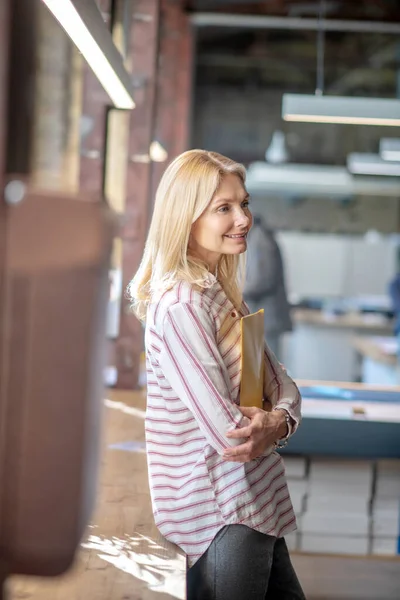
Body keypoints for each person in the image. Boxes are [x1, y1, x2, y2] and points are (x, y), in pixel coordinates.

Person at [129, 150, 305, 600]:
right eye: (223, 208)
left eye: (243, 204)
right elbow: (232, 437)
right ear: (186, 217)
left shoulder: (221, 295)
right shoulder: (182, 307)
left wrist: (278, 420)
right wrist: (272, 424)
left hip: (254, 503)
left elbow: (281, 384)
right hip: (220, 513)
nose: (242, 218)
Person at [244, 215, 292, 361]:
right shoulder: (257, 237)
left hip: (266, 318)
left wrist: (234, 293)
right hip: (263, 318)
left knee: (266, 370)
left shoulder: (260, 240)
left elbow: (261, 281)